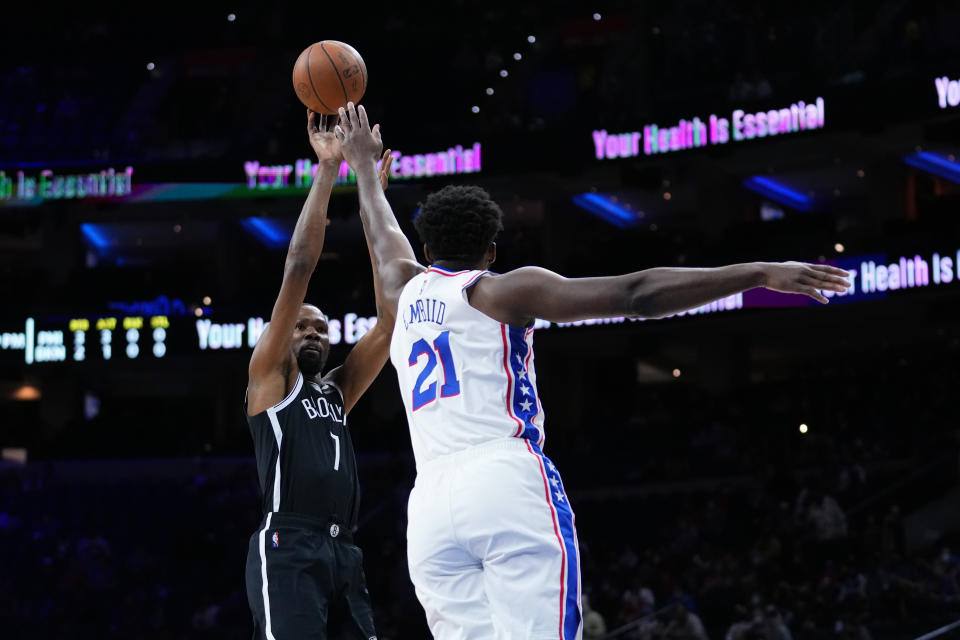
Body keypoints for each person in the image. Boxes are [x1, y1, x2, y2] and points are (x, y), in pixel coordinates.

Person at [333, 101, 852, 639]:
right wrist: (760, 272)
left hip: (429, 506)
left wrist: (364, 170)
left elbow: (380, 236)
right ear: (490, 250)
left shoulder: (400, 290)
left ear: (426, 246)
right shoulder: (500, 291)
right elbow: (636, 293)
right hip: (502, 480)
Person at [244, 109, 394, 640]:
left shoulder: (335, 392)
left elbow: (391, 319)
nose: (312, 332)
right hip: (289, 547)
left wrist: (372, 193)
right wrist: (329, 170)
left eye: (322, 329)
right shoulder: (269, 380)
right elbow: (300, 266)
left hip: (343, 550)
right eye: (301, 325)